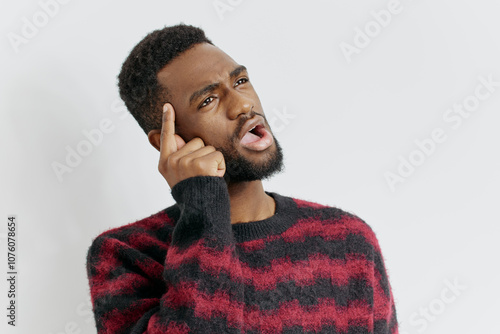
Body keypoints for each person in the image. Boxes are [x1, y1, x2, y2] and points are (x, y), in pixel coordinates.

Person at [86, 24, 399, 333]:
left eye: (241, 81)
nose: (243, 104)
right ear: (168, 141)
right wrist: (201, 199)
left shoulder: (347, 240)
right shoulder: (128, 253)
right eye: (208, 100)